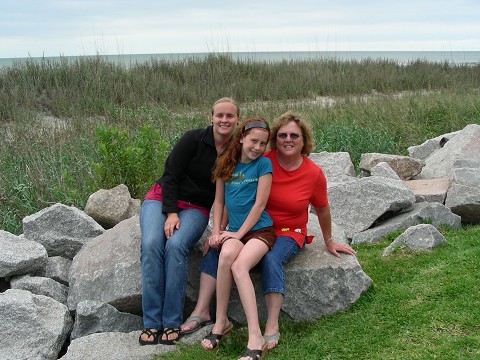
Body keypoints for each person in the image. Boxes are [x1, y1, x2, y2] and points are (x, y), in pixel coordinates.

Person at [181, 111, 356, 352]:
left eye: (294, 135)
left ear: (304, 140)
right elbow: (236, 190)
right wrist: (221, 229)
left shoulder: (312, 173)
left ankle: (271, 325)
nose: (288, 139)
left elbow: (322, 209)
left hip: (288, 231)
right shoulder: (264, 158)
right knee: (218, 251)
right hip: (255, 228)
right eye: (282, 135)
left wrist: (328, 239)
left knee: (271, 259)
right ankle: (203, 311)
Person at [138, 97, 240, 346]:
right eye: (220, 115)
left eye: (229, 116)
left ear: (237, 119)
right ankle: (152, 323)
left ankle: (171, 321)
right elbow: (171, 174)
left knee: (175, 245)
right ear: (211, 117)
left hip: (196, 208)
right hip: (162, 199)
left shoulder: (237, 150)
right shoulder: (193, 139)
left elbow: (230, 192)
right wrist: (171, 212)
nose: (224, 120)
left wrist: (220, 230)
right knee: (151, 243)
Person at [200, 118, 275, 360]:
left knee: (239, 266)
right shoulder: (225, 164)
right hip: (234, 230)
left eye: (263, 143)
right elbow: (219, 202)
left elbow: (260, 204)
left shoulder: (263, 165)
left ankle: (256, 337)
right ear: (241, 138)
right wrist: (216, 231)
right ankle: (221, 322)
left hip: (260, 230)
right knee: (226, 256)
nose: (257, 147)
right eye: (253, 140)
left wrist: (238, 233)